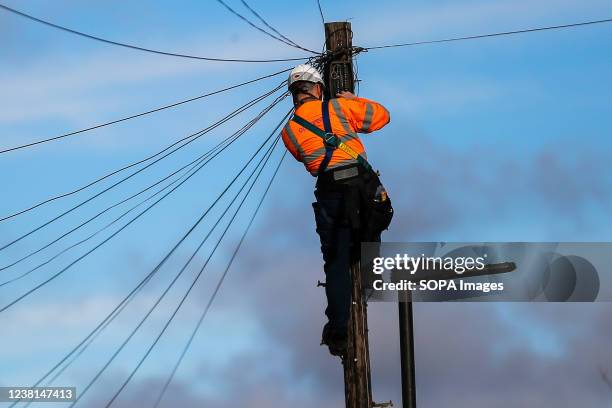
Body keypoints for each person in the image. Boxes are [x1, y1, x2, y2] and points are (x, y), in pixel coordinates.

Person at [281, 64, 393, 356]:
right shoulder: (340, 107)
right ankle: (371, 275)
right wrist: (352, 102)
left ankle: (339, 331)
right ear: (319, 88)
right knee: (375, 222)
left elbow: (304, 160)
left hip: (329, 188)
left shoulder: (289, 131)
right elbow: (382, 117)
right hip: (360, 180)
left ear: (294, 95)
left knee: (336, 261)